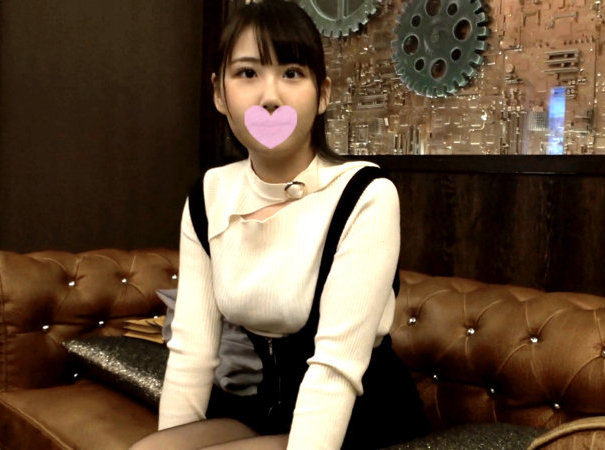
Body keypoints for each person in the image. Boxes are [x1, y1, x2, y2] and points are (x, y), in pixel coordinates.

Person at [132, 1, 427, 449]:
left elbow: (333, 369)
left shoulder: (365, 194)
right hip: (269, 409)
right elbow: (192, 352)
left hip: (359, 418)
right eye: (247, 73)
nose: (270, 96)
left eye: (291, 73)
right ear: (218, 93)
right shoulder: (209, 195)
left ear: (322, 94)